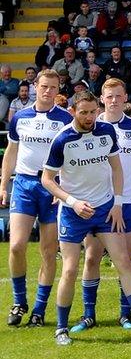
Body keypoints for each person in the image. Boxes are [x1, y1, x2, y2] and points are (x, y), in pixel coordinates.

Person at [42, 91, 131, 345]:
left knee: (124, 261)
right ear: (73, 111)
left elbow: (116, 168)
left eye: (93, 111)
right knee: (70, 268)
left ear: (98, 109)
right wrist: (72, 202)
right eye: (83, 112)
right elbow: (47, 179)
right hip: (73, 213)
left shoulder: (106, 132)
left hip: (105, 209)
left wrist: (116, 203)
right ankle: (61, 328)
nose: (89, 117)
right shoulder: (62, 140)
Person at [70, 79, 131, 333]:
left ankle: (126, 315)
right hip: (98, 203)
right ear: (102, 99)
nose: (114, 100)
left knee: (125, 259)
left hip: (126, 202)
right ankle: (88, 314)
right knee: (91, 256)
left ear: (125, 97)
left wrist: (125, 186)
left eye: (118, 95)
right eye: (109, 96)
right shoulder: (93, 125)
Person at [2, 69, 74, 327]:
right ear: (36, 86)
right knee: (16, 245)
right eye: (44, 86)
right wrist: (3, 185)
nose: (48, 91)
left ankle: (39, 309)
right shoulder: (20, 117)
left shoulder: (66, 119)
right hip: (23, 183)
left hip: (52, 187)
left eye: (53, 87)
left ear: (58, 90)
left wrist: (62, 188)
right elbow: (11, 152)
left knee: (47, 250)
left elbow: (70, 158)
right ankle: (19, 301)